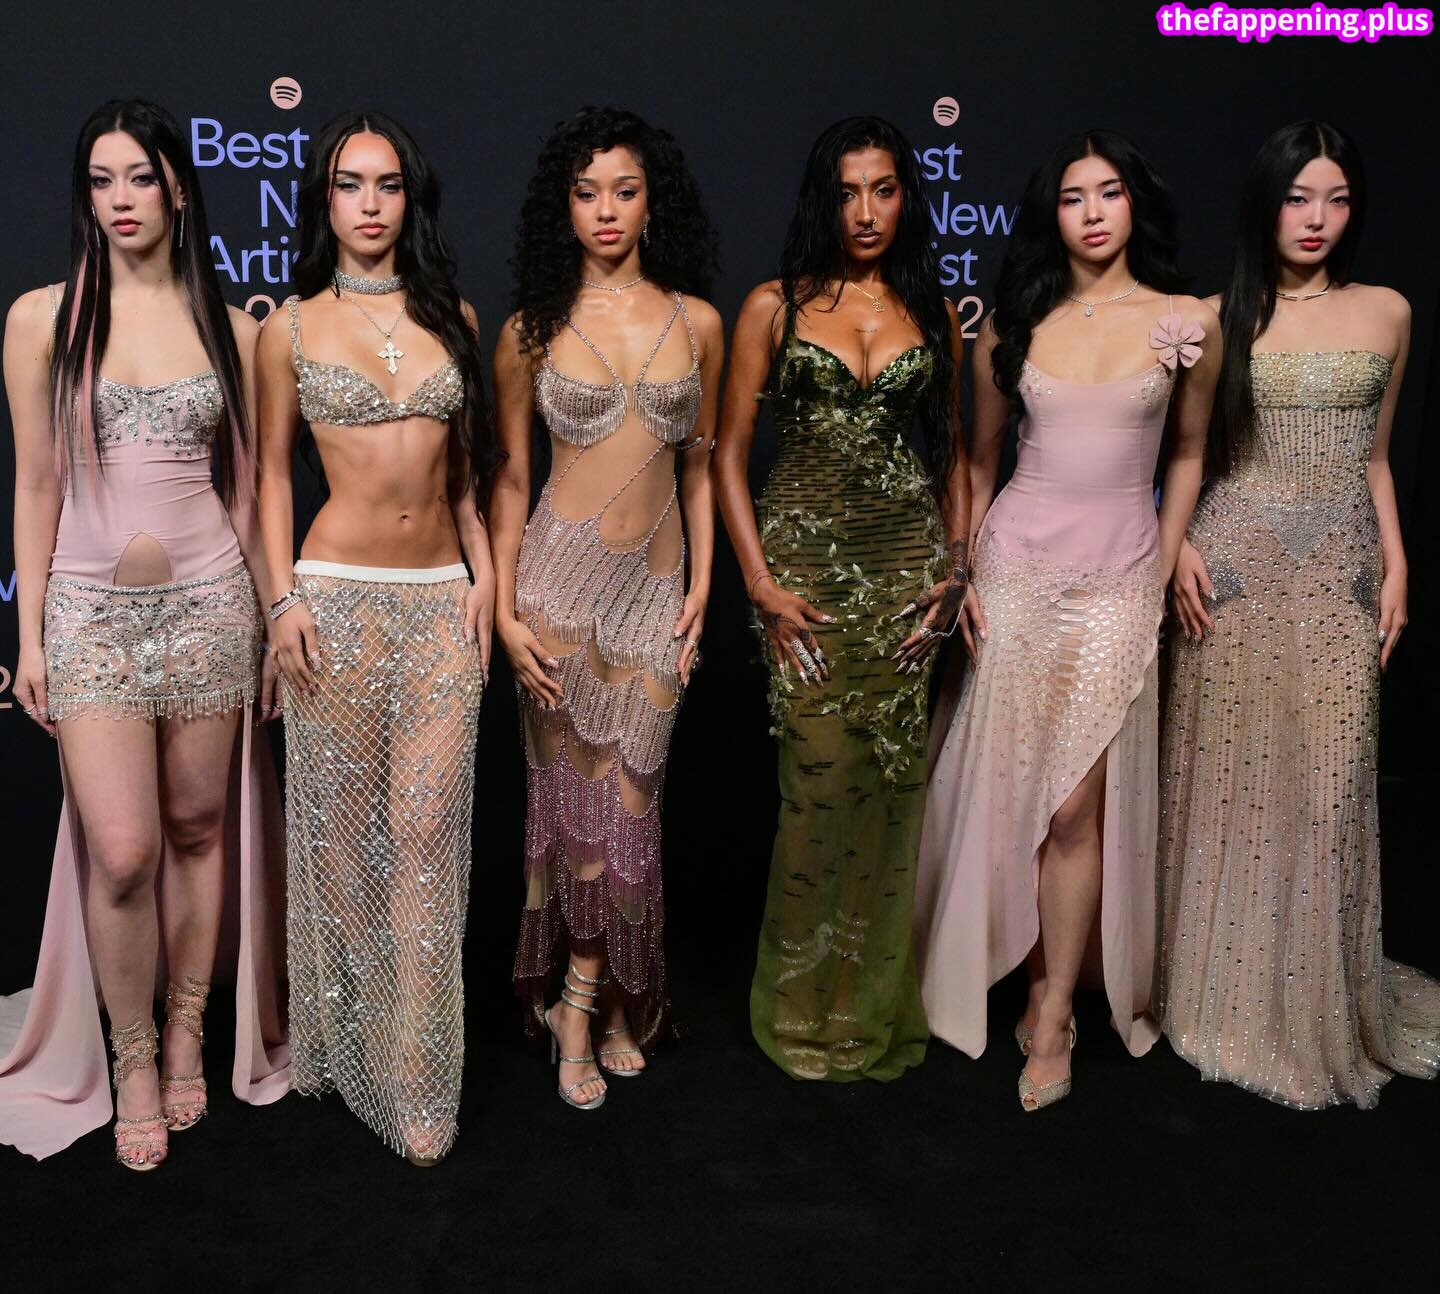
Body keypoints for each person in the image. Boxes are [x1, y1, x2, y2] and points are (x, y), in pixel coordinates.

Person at [0, 99, 288, 1169]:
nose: (120, 199)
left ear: (177, 186)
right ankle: (128, 1056)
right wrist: (31, 638)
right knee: (123, 851)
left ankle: (184, 1034)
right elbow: (36, 483)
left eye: (139, 177)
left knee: (201, 829)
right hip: (88, 616)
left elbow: (251, 491)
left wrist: (275, 617)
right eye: (100, 179)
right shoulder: (43, 318)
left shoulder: (234, 326)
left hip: (213, 607)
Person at [914, 130, 1220, 1111]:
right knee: (1013, 789)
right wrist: (964, 570)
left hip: (1119, 579)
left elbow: (1189, 452)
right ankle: (1000, 968)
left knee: (1075, 806)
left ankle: (1052, 1012)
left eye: (1110, 191)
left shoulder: (1186, 321)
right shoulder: (1013, 324)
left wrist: (1162, 560)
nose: (1093, 212)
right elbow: (976, 462)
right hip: (1016, 570)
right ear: (1051, 214)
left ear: (1136, 203)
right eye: (1074, 196)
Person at [1157, 120, 1440, 1108]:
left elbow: (1378, 457)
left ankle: (1317, 1005)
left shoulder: (1389, 311)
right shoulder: (1214, 316)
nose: (1317, 218)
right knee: (1236, 789)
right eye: (1297, 197)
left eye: (1337, 199)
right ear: (1265, 205)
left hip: (1341, 575)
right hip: (1233, 573)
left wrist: (1398, 563)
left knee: (1328, 792)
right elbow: (1187, 454)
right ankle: (1224, 995)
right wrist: (1174, 547)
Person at [256, 110, 494, 1163]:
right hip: (336, 599)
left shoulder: (458, 318)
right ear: (325, 199)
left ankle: (417, 1063)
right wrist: (281, 603)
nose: (368, 203)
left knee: (428, 835)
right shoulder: (291, 329)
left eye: (387, 184)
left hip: (441, 599)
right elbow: (268, 479)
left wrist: (487, 579)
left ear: (411, 198)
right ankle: (357, 1041)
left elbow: (470, 481)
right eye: (349, 184)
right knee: (348, 843)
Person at [713, 116, 970, 1082]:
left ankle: (869, 1008)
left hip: (905, 575)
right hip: (805, 578)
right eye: (848, 191)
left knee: (891, 793)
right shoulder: (773, 308)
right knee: (816, 791)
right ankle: (799, 1010)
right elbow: (727, 459)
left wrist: (954, 572)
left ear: (906, 198)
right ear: (825, 200)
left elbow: (954, 457)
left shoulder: (932, 312)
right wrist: (760, 584)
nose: (866, 211)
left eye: (885, 190)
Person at [491, 106, 721, 1109]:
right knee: (576, 813)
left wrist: (702, 583)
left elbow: (700, 468)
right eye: (587, 194)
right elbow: (509, 480)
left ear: (652, 199)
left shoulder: (698, 322)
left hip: (655, 597)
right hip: (555, 594)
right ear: (565, 207)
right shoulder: (530, 330)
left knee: (634, 804)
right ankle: (594, 1005)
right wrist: (505, 612)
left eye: (624, 190)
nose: (607, 210)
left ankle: (589, 998)